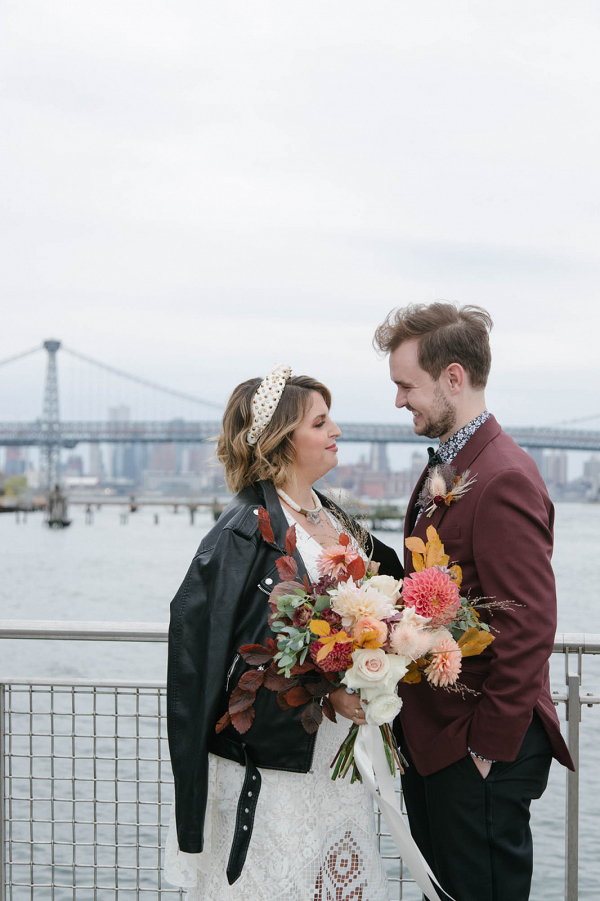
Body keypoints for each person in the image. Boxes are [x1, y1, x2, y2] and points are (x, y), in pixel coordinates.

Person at [165, 365, 403, 901]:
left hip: (335, 752)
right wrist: (326, 689)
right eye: (321, 423)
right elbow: (203, 655)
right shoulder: (244, 528)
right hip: (274, 762)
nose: (336, 431)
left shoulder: (335, 517)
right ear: (283, 440)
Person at [373, 303, 574, 901]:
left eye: (407, 386)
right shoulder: (455, 464)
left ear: (453, 378)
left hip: (477, 747)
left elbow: (530, 625)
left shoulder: (502, 475)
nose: (399, 401)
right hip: (440, 741)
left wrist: (486, 748)